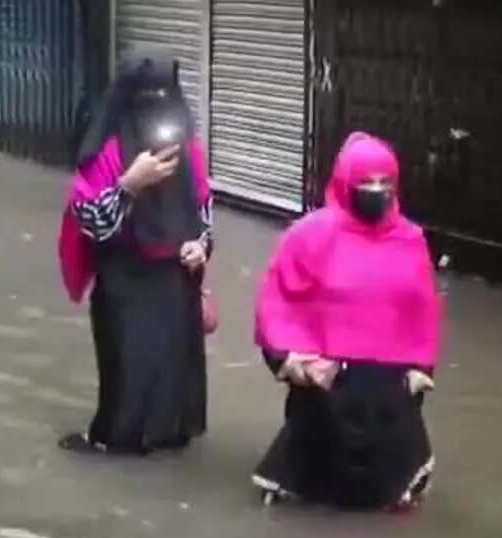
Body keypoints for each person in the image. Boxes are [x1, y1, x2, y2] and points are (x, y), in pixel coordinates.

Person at [251, 133, 442, 511]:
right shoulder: (308, 236)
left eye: (385, 183)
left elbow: (422, 311)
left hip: (388, 392)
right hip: (327, 385)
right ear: (345, 184)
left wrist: (420, 369)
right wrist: (291, 361)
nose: (376, 191)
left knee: (390, 495)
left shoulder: (409, 240)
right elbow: (278, 301)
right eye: (366, 183)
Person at [56, 50, 213, 455]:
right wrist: (129, 184)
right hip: (125, 282)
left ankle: (170, 437)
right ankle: (113, 442)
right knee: (128, 378)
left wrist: (201, 246)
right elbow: (90, 222)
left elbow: (203, 211)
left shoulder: (187, 149)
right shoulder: (106, 151)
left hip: (175, 280)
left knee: (174, 380)